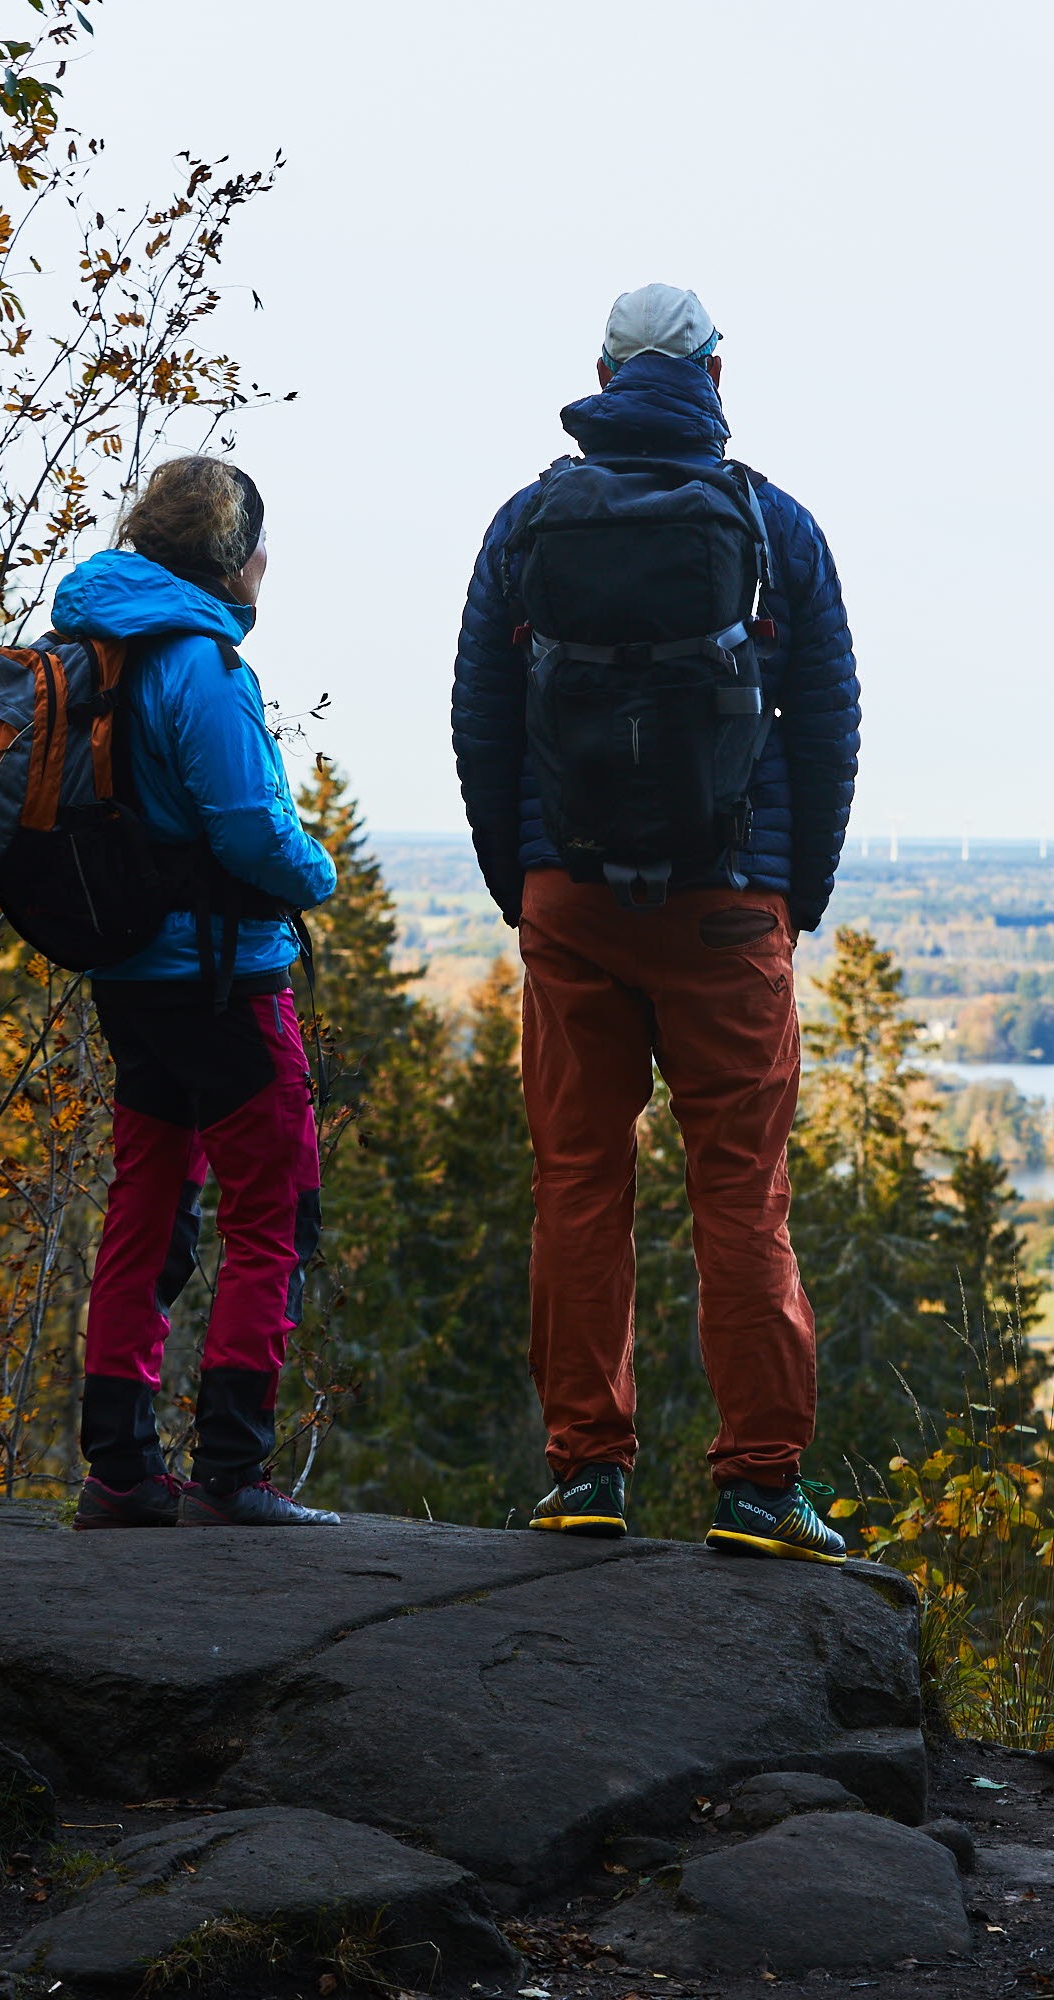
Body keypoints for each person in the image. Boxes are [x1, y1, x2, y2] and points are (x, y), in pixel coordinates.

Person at [450, 285, 860, 1559]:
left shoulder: (524, 524)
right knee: (742, 1191)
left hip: (568, 899)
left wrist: (524, 885)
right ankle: (753, 1486)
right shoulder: (773, 526)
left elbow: (479, 721)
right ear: (716, 375)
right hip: (732, 903)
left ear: (602, 372)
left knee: (579, 1181)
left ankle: (585, 1470)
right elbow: (829, 725)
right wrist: (794, 896)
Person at [56, 455, 342, 1529]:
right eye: (258, 541)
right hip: (224, 977)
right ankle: (232, 1466)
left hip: (128, 976)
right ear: (232, 556)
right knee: (272, 1209)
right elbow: (250, 830)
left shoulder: (93, 641)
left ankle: (120, 1468)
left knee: (147, 1201)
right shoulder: (204, 664)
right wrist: (318, 872)